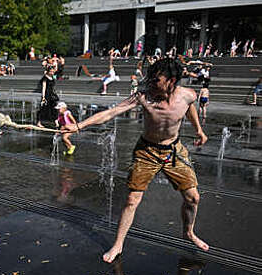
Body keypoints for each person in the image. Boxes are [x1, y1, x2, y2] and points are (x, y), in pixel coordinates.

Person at [66, 58, 209, 263]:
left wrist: (199, 130)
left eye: (157, 79)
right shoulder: (144, 97)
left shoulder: (187, 95)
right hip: (147, 151)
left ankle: (188, 232)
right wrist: (79, 126)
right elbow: (112, 112)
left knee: (193, 198)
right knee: (132, 199)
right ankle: (118, 244)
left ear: (172, 80)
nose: (151, 82)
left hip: (174, 151)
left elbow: (191, 108)